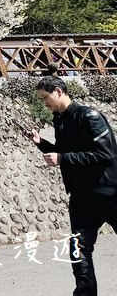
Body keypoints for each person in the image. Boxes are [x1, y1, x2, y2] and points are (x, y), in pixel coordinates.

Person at [20, 76, 117, 295]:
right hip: (82, 197)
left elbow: (105, 154)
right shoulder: (60, 119)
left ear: (58, 91)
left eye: (45, 97)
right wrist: (41, 143)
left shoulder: (90, 117)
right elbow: (64, 152)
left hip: (109, 193)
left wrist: (63, 159)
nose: (44, 102)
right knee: (78, 249)